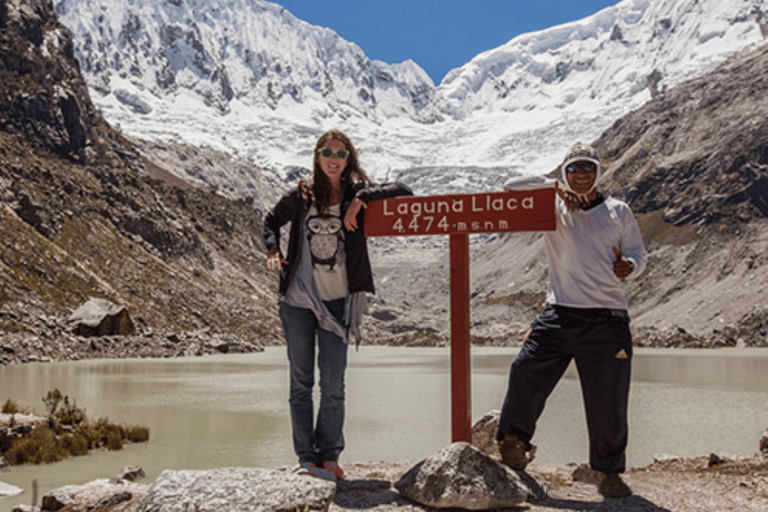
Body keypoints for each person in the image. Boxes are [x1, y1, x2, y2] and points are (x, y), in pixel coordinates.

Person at [496, 142, 647, 499]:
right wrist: (554, 187)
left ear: (598, 172)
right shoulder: (554, 206)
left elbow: (639, 253)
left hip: (607, 319)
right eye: (575, 169)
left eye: (588, 168)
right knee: (525, 370)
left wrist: (630, 266)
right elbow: (510, 187)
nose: (582, 175)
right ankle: (514, 446)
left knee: (608, 397)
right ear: (565, 173)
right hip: (559, 313)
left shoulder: (617, 211)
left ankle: (608, 472)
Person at [263, 129, 412, 479]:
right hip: (297, 301)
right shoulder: (300, 196)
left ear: (349, 160)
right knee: (300, 382)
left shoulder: (356, 193)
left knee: (333, 384)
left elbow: (405, 191)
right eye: (328, 151)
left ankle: (330, 455)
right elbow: (271, 220)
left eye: (341, 154)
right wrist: (273, 250)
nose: (334, 158)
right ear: (317, 156)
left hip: (338, 303)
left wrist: (363, 200)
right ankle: (306, 456)